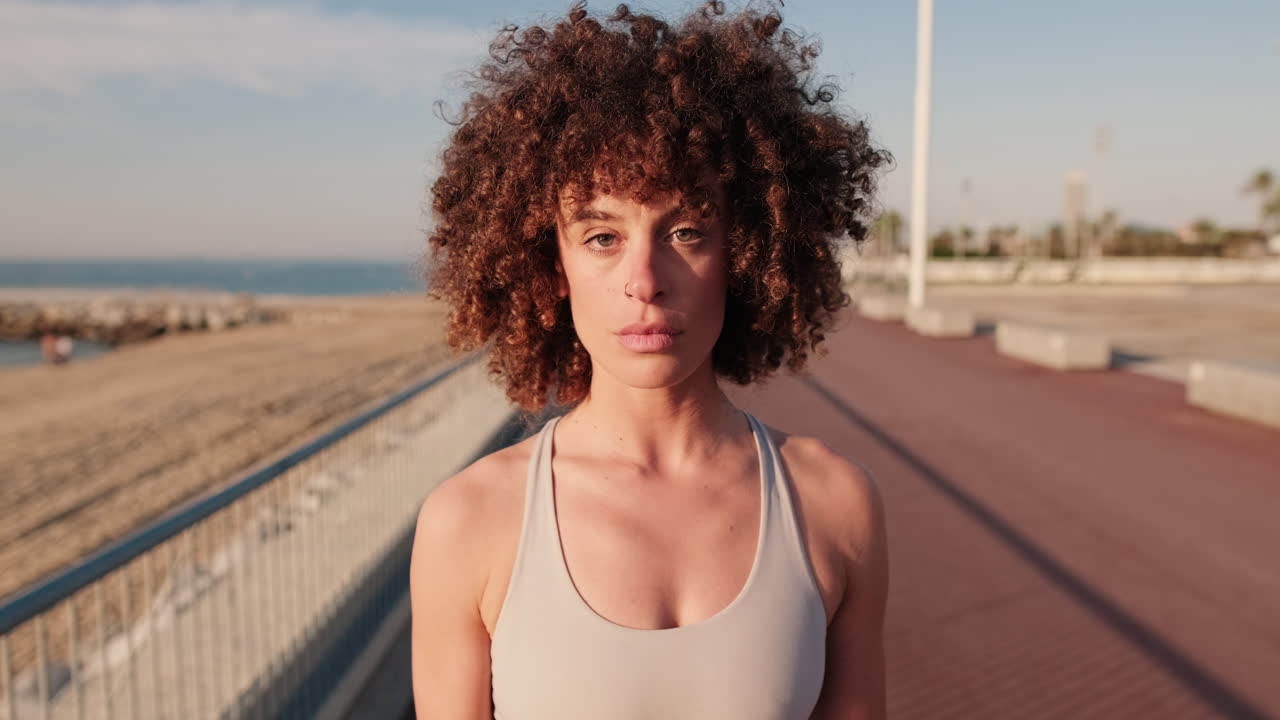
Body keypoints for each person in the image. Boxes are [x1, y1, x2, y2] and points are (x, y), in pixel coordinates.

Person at [410, 2, 890, 718]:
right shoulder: (469, 520)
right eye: (603, 235)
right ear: (553, 263)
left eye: (687, 231)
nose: (644, 279)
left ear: (748, 253)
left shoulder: (835, 505)